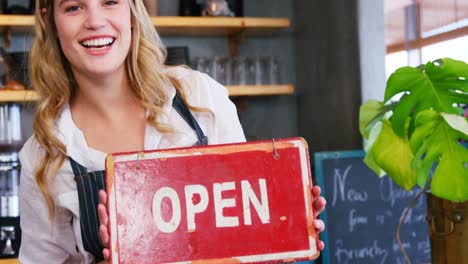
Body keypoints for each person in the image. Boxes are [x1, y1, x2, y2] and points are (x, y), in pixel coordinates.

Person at [18, 0, 327, 263]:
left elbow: (250, 239)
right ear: (50, 19)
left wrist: (287, 225)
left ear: (131, 8)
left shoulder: (200, 98)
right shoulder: (44, 154)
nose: (95, 21)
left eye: (110, 1)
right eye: (73, 7)